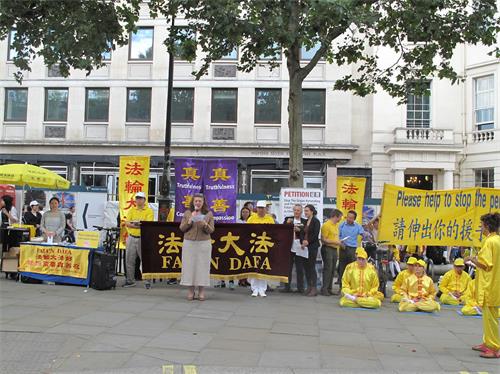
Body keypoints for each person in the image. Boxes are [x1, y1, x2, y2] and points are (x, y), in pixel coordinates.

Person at [465, 212, 500, 359]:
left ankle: (494, 347)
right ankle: (488, 342)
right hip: (494, 283)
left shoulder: (490, 241)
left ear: (486, 226)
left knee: (490, 317)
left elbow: (486, 265)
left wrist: (472, 259)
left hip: (490, 285)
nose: (481, 227)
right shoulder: (496, 240)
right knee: (488, 317)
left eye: (482, 225)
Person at [179, 193, 215, 301]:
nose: (198, 203)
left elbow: (211, 230)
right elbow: (182, 228)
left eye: (200, 201)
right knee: (189, 266)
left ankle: (201, 291)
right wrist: (189, 221)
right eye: (196, 201)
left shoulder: (208, 213)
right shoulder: (188, 213)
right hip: (189, 243)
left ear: (203, 202)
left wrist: (205, 224)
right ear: (193, 202)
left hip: (203, 243)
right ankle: (190, 291)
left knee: (202, 267)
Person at [123, 192, 154, 288]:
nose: (138, 200)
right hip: (131, 237)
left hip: (143, 238)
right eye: (137, 198)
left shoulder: (149, 211)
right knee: (129, 260)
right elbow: (127, 223)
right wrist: (137, 225)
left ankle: (147, 281)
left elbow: (146, 225)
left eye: (141, 198)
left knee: (144, 261)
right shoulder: (132, 210)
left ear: (145, 200)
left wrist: (134, 224)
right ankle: (130, 281)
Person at [247, 200, 275, 297]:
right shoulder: (251, 218)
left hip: (265, 246)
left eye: (262, 208)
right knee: (254, 266)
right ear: (257, 208)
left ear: (265, 209)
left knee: (263, 266)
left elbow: (273, 232)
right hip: (254, 246)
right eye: (259, 208)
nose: (261, 210)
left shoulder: (270, 219)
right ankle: (254, 288)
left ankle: (262, 289)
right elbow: (246, 231)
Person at [281, 204, 307, 293]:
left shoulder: (305, 221)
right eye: (295, 210)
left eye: (298, 210)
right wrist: (287, 224)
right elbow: (282, 229)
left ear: (301, 212)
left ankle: (301, 288)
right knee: (288, 267)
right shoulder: (288, 219)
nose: (296, 212)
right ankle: (287, 287)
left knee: (300, 268)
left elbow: (307, 232)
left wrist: (300, 231)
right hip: (289, 246)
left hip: (300, 247)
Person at [338, 210, 364, 289]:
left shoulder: (357, 226)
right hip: (343, 247)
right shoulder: (342, 225)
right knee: (342, 268)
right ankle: (341, 287)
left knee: (352, 268)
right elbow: (337, 236)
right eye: (348, 217)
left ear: (354, 219)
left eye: (351, 218)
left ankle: (352, 287)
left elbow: (364, 234)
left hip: (353, 249)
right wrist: (340, 243)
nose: (349, 219)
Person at [320, 209, 343, 296]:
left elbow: (335, 237)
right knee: (328, 269)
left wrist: (338, 242)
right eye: (340, 217)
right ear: (335, 216)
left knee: (332, 270)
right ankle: (324, 289)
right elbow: (323, 239)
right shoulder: (326, 225)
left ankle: (329, 289)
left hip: (334, 249)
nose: (340, 219)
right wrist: (335, 242)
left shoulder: (336, 225)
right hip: (327, 248)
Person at [303, 204, 321, 297]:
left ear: (312, 211)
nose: (305, 212)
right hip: (305, 247)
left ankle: (314, 288)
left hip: (313, 247)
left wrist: (307, 241)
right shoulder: (305, 221)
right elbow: (303, 233)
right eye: (305, 211)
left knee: (311, 266)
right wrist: (303, 241)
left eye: (307, 211)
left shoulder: (316, 221)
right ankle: (309, 286)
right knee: (306, 267)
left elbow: (315, 235)